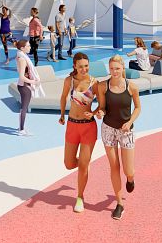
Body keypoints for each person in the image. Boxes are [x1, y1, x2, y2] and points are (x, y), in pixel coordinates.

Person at [97, 54, 141, 220]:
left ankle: (131, 179)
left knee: (128, 170)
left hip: (126, 131)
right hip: (108, 129)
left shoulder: (132, 87)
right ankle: (119, 203)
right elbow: (102, 107)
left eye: (117, 68)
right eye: (111, 69)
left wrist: (129, 122)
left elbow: (137, 108)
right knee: (114, 167)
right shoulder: (103, 86)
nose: (114, 71)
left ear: (123, 68)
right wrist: (100, 112)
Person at [59, 52, 103, 213]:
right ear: (74, 67)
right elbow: (63, 97)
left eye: (86, 65)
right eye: (81, 66)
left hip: (88, 127)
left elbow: (102, 105)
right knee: (69, 164)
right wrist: (62, 114)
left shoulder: (94, 83)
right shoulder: (69, 81)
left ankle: (80, 196)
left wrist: (94, 112)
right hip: (71, 125)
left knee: (83, 164)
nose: (84, 69)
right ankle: (84, 166)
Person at [15, 39, 41, 136]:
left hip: (23, 85)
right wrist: (33, 82)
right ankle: (21, 130)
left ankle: (21, 126)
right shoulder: (22, 59)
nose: (30, 47)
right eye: (28, 46)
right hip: (24, 86)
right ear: (22, 48)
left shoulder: (21, 56)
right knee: (24, 108)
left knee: (24, 108)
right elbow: (22, 76)